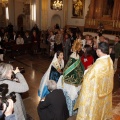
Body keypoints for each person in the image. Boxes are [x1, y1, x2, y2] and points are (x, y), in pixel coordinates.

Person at [74, 42, 114, 120]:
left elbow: (88, 78)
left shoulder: (99, 64)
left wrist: (87, 71)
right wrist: (92, 67)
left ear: (100, 50)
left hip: (96, 93)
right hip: (104, 91)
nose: (95, 51)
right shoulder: (109, 60)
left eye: (97, 49)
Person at [57, 40, 84, 116]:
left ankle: (70, 110)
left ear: (73, 48)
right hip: (78, 79)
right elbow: (81, 67)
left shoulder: (72, 55)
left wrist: (64, 72)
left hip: (70, 80)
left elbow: (68, 67)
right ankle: (76, 109)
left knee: (69, 95)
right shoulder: (78, 56)